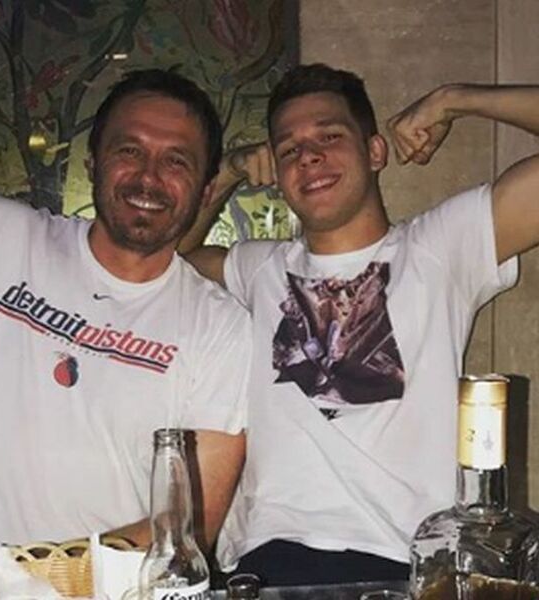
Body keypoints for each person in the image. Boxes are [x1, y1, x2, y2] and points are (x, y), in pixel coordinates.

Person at [184, 63, 539, 585]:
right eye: (289, 149)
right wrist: (233, 170)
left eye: (329, 136)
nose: (309, 156)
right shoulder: (258, 267)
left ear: (375, 152)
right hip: (268, 563)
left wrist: (455, 97)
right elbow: (170, 255)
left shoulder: (440, 247)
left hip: (406, 561)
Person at [0, 65, 250, 551]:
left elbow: (191, 524)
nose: (148, 177)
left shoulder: (221, 327)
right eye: (129, 150)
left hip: (109, 581)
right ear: (92, 163)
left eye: (176, 161)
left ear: (206, 191)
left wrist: (38, 573)